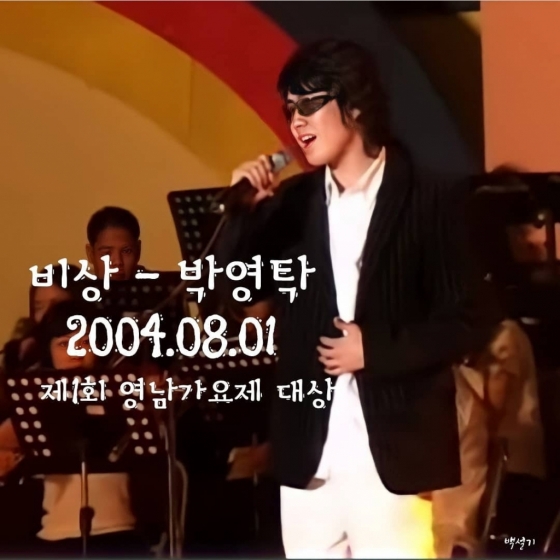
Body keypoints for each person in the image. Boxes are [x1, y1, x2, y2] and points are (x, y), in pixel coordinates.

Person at [218, 38, 499, 558]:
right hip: (308, 456)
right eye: (289, 108)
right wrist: (242, 219)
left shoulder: (431, 199)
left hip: (390, 454)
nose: (297, 121)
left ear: (356, 104)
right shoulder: (293, 204)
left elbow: (470, 319)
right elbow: (232, 294)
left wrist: (377, 350)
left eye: (309, 104)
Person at [0, 300, 149, 557]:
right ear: (48, 350)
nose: (75, 351)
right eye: (63, 344)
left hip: (121, 531)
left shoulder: (121, 391)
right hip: (58, 534)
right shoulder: (38, 398)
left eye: (85, 342)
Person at [430, 318, 545, 557]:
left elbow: (496, 396)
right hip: (499, 469)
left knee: (519, 543)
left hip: (512, 472)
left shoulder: (503, 335)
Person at [86, 206, 143, 281]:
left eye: (126, 251)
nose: (118, 262)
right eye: (106, 253)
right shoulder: (77, 286)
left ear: (138, 251)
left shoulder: (154, 285)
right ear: (90, 254)